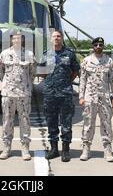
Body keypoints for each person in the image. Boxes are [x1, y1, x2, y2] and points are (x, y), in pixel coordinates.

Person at [40, 30, 79, 162]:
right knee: (51, 121)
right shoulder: (46, 55)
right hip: (50, 93)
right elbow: (42, 72)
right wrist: (50, 82)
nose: (56, 38)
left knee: (66, 122)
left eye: (58, 36)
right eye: (54, 36)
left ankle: (66, 150)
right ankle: (54, 149)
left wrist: (67, 81)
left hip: (65, 93)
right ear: (51, 39)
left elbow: (75, 71)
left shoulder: (69, 54)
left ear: (61, 38)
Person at [79, 37, 113, 162]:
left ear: (103, 46)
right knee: (88, 124)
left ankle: (107, 149)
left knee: (106, 124)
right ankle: (86, 148)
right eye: (96, 44)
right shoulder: (86, 61)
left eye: (100, 44)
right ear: (92, 46)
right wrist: (81, 96)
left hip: (104, 97)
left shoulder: (109, 61)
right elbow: (82, 80)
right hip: (90, 98)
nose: (98, 46)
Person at [0, 31, 36, 161]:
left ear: (23, 40)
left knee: (24, 120)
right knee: (7, 120)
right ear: (11, 40)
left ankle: (25, 148)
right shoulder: (4, 54)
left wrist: (25, 84)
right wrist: (8, 83)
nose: (17, 40)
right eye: (14, 38)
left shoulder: (29, 55)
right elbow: (1, 71)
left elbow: (32, 73)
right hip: (8, 93)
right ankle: (6, 147)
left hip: (24, 93)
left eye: (19, 38)